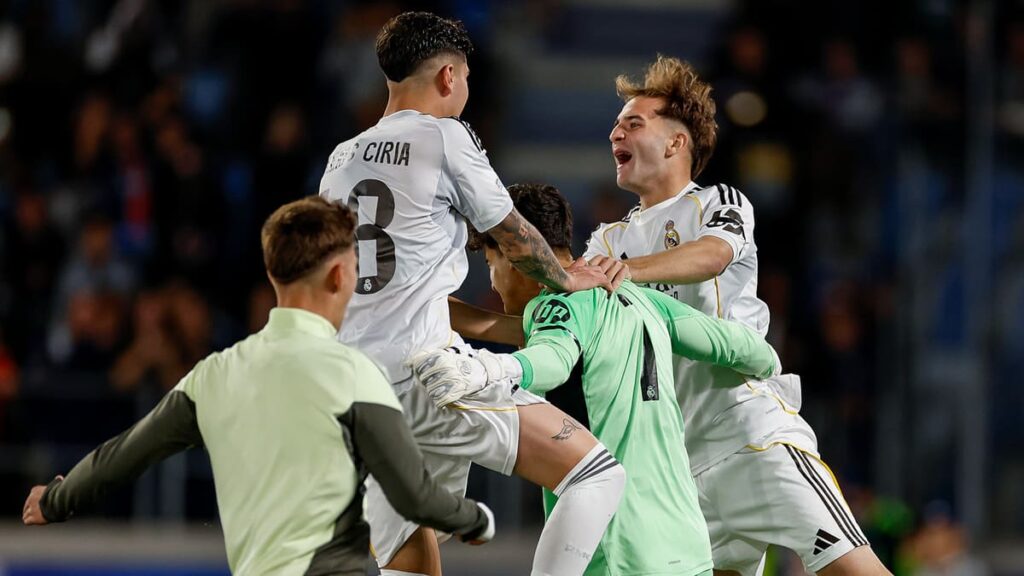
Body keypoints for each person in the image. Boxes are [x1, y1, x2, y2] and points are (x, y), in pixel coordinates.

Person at [21, 197, 494, 575]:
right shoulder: (354, 375)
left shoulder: (215, 374)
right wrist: (476, 519)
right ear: (338, 275)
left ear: (273, 273)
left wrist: (58, 499)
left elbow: (123, 455)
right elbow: (413, 495)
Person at [318, 12, 625, 576]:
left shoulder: (338, 163)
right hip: (428, 375)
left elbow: (388, 293)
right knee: (596, 473)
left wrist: (510, 329)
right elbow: (510, 229)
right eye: (465, 79)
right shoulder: (442, 135)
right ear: (447, 78)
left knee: (412, 557)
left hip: (358, 388)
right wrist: (568, 278)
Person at [585, 55, 890, 576]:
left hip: (751, 434)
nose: (617, 130)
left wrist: (628, 272)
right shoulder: (607, 240)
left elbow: (712, 257)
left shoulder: (716, 202)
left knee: (855, 571)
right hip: (679, 467)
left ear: (676, 143)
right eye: (616, 124)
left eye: (634, 122)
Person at [411, 183, 781, 576]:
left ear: (514, 254)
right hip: (686, 546)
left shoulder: (553, 303)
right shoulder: (638, 297)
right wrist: (771, 367)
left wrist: (490, 369)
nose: (492, 281)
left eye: (490, 264)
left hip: (615, 551)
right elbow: (740, 346)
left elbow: (553, 358)